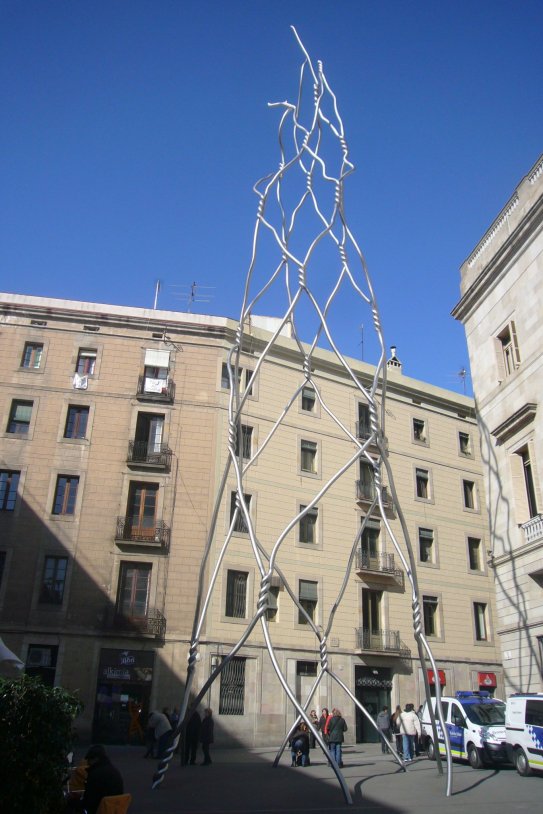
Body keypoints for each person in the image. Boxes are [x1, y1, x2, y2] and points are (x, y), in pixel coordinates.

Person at [66, 744, 123, 814]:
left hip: (98, 809)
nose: (88, 763)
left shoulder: (94, 774)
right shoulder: (114, 771)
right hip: (114, 809)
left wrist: (74, 800)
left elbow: (88, 802)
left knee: (70, 804)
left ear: (96, 759)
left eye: (89, 759)